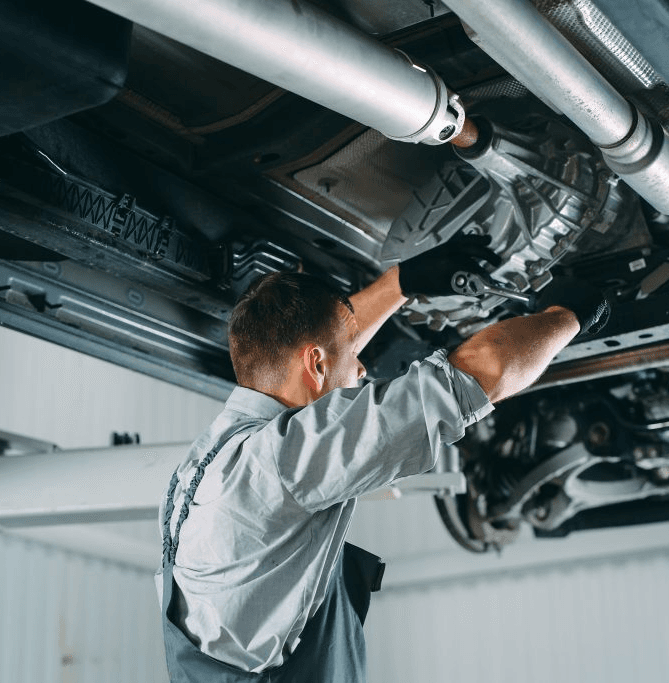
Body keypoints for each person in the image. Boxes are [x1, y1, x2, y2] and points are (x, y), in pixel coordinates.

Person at [157, 233, 608, 682]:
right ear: (314, 365)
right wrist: (569, 315)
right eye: (354, 359)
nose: (362, 370)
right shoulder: (284, 460)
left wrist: (400, 283)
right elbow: (478, 371)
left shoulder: (208, 462)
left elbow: (325, 349)